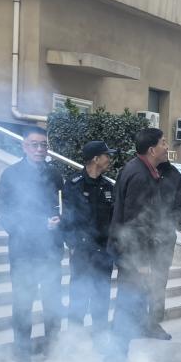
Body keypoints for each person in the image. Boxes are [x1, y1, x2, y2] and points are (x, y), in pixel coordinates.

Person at [110, 127, 181, 356]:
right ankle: (114, 360)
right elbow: (134, 223)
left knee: (131, 303)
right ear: (152, 150)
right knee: (127, 305)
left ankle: (119, 356)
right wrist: (142, 262)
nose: (167, 146)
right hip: (134, 256)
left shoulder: (143, 170)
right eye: (163, 142)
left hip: (140, 252)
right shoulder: (140, 176)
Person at [0, 125, 65, 362]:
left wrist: (61, 222)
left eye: (44, 145)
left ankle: (52, 346)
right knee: (23, 301)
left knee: (52, 301)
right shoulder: (11, 174)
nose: (40, 149)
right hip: (23, 250)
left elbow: (63, 206)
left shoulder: (54, 174)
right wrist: (38, 224)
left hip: (51, 250)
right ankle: (22, 349)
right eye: (34, 145)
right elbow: (4, 213)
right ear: (24, 146)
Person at [62, 140, 117, 338]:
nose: (109, 159)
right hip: (82, 253)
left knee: (101, 300)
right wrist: (73, 244)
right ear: (96, 159)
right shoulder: (74, 184)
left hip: (103, 254)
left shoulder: (108, 186)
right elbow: (67, 219)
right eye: (106, 155)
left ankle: (100, 341)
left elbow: (113, 220)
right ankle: (73, 344)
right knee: (79, 299)